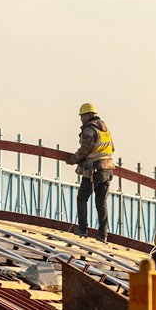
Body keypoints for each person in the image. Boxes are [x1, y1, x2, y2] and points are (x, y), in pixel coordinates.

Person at [65, 103, 115, 241]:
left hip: (93, 170)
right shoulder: (105, 130)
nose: (81, 119)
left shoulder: (89, 130)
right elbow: (112, 148)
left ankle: (82, 229)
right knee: (101, 203)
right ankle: (103, 235)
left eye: (82, 116)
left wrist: (72, 159)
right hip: (107, 169)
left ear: (88, 115)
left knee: (82, 198)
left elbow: (85, 150)